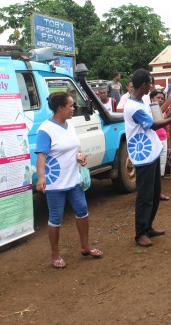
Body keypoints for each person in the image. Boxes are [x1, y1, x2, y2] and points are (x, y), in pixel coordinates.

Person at [35, 92, 103, 268]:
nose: (74, 109)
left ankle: (85, 246)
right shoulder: (45, 129)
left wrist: (80, 156)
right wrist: (41, 178)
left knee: (82, 210)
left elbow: (75, 148)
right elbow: (41, 156)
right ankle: (55, 254)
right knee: (55, 218)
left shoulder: (70, 125)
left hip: (73, 179)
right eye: (71, 106)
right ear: (60, 108)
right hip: (55, 183)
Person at [123, 70, 171, 247]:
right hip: (143, 155)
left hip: (151, 152)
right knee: (145, 196)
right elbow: (154, 125)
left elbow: (155, 115)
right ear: (144, 85)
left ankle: (148, 227)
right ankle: (140, 233)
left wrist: (170, 105)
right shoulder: (133, 107)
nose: (152, 86)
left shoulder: (143, 100)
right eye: (150, 83)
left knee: (154, 194)